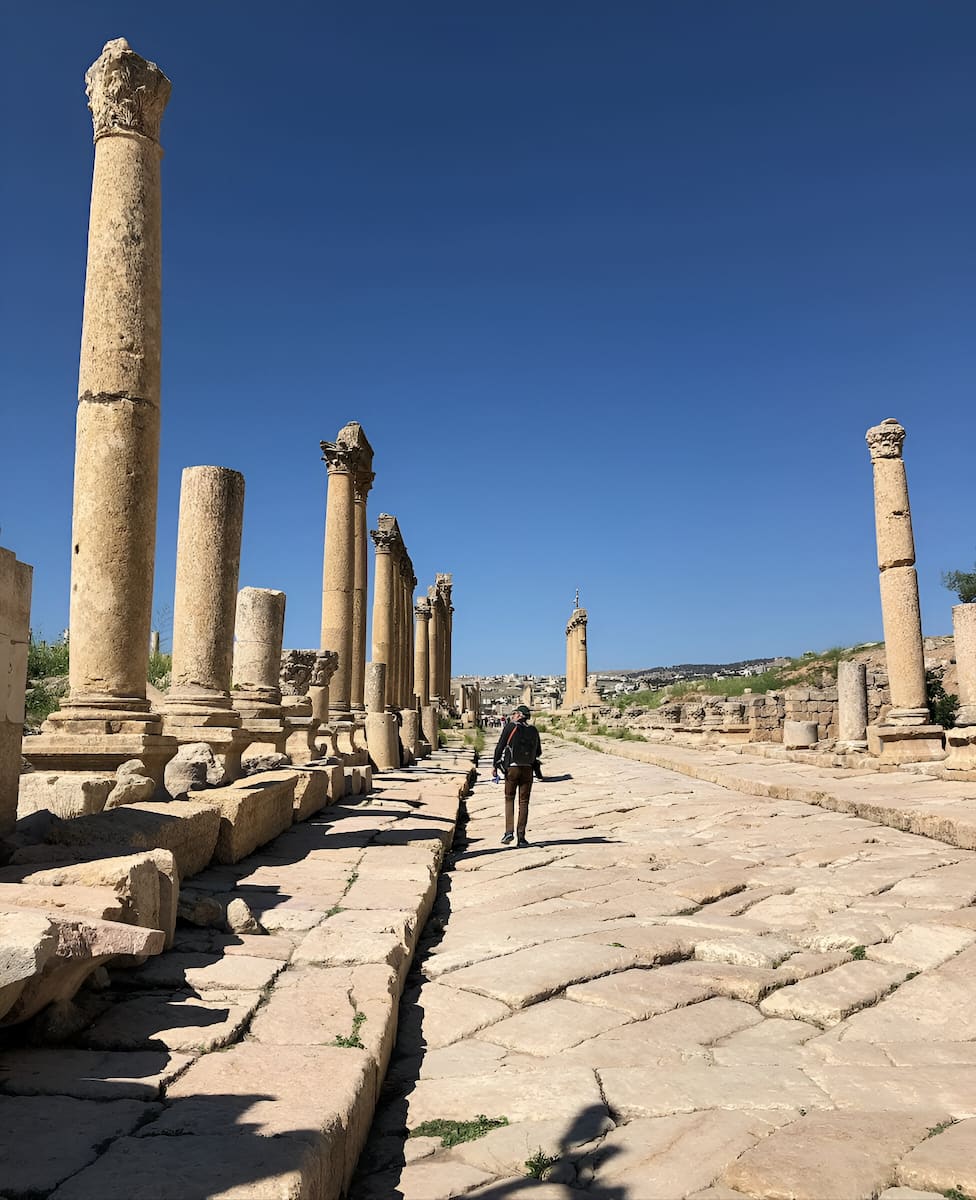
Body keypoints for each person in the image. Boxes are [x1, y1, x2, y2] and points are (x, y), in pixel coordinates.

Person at [492, 704, 542, 847]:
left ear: (519, 715)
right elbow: (538, 752)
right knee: (524, 802)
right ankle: (521, 837)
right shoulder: (533, 730)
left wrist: (495, 764)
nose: (512, 716)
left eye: (514, 713)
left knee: (509, 799)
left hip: (512, 768)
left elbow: (500, 746)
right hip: (528, 769)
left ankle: (509, 832)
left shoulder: (510, 727)